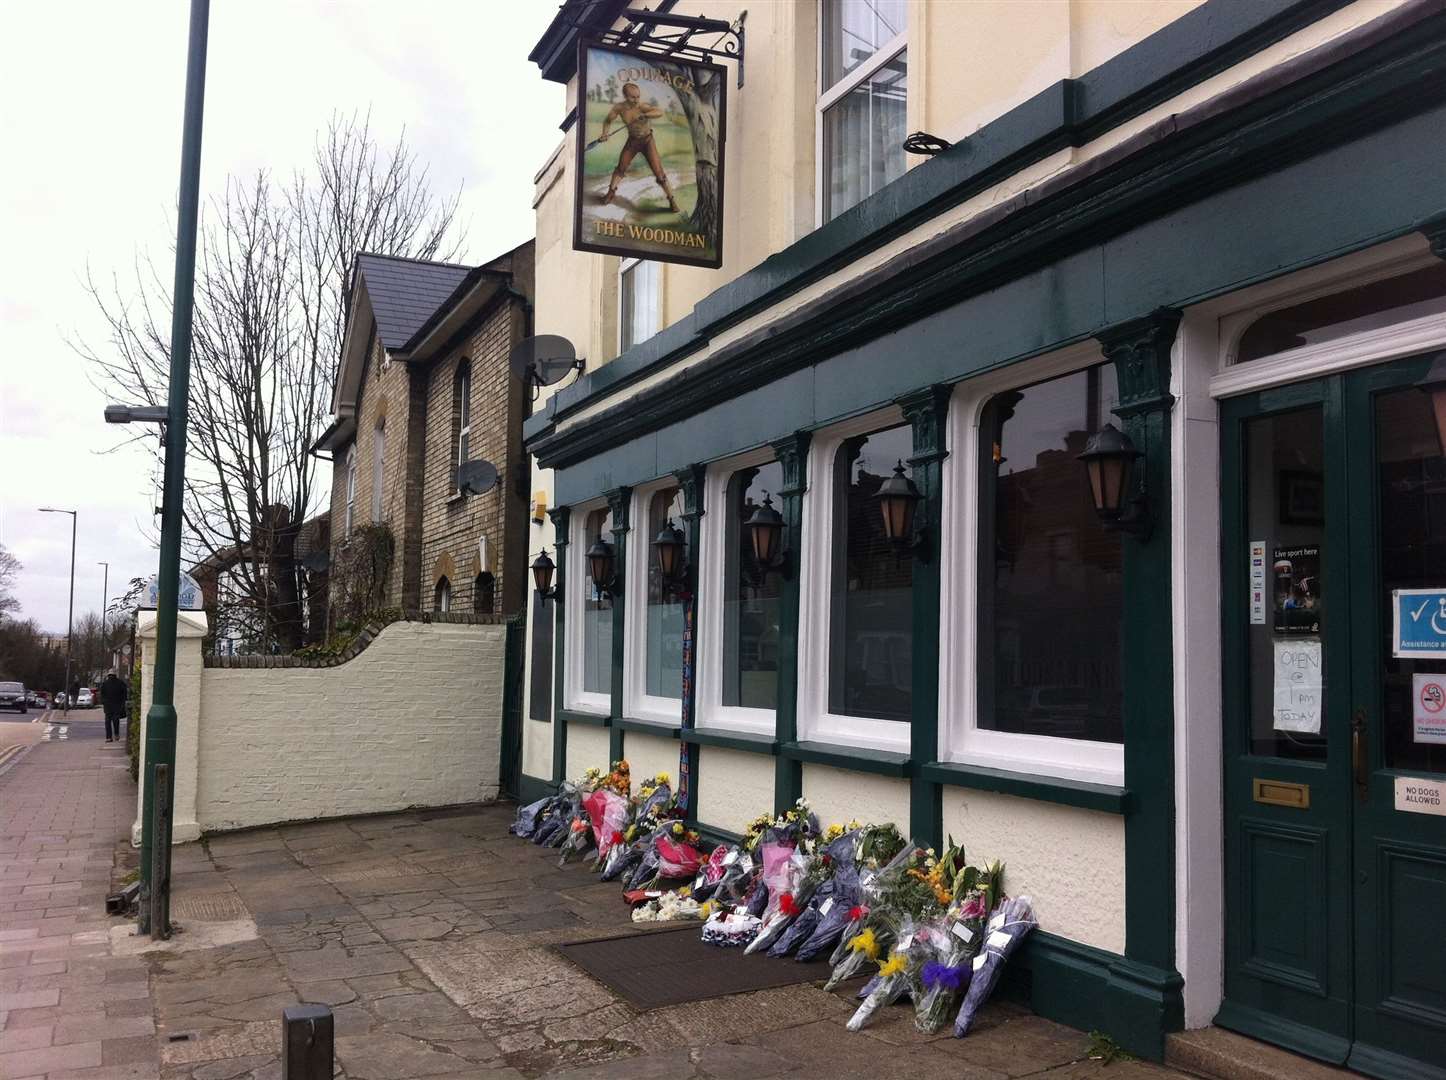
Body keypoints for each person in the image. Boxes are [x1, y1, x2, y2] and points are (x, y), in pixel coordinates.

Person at [599, 82, 681, 213]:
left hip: (647, 141)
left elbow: (659, 112)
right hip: (632, 142)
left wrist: (646, 115)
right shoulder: (619, 108)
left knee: (659, 173)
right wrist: (604, 133)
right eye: (633, 97)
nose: (636, 100)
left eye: (638, 96)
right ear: (625, 96)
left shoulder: (642, 106)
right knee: (621, 168)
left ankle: (672, 200)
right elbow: (608, 120)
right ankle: (610, 193)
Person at [99, 670, 127, 743]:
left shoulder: (105, 683)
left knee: (108, 721)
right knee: (115, 721)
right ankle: (116, 734)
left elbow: (102, 694)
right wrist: (122, 703)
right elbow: (124, 693)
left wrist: (103, 701)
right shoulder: (120, 683)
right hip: (116, 705)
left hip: (108, 706)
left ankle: (109, 737)